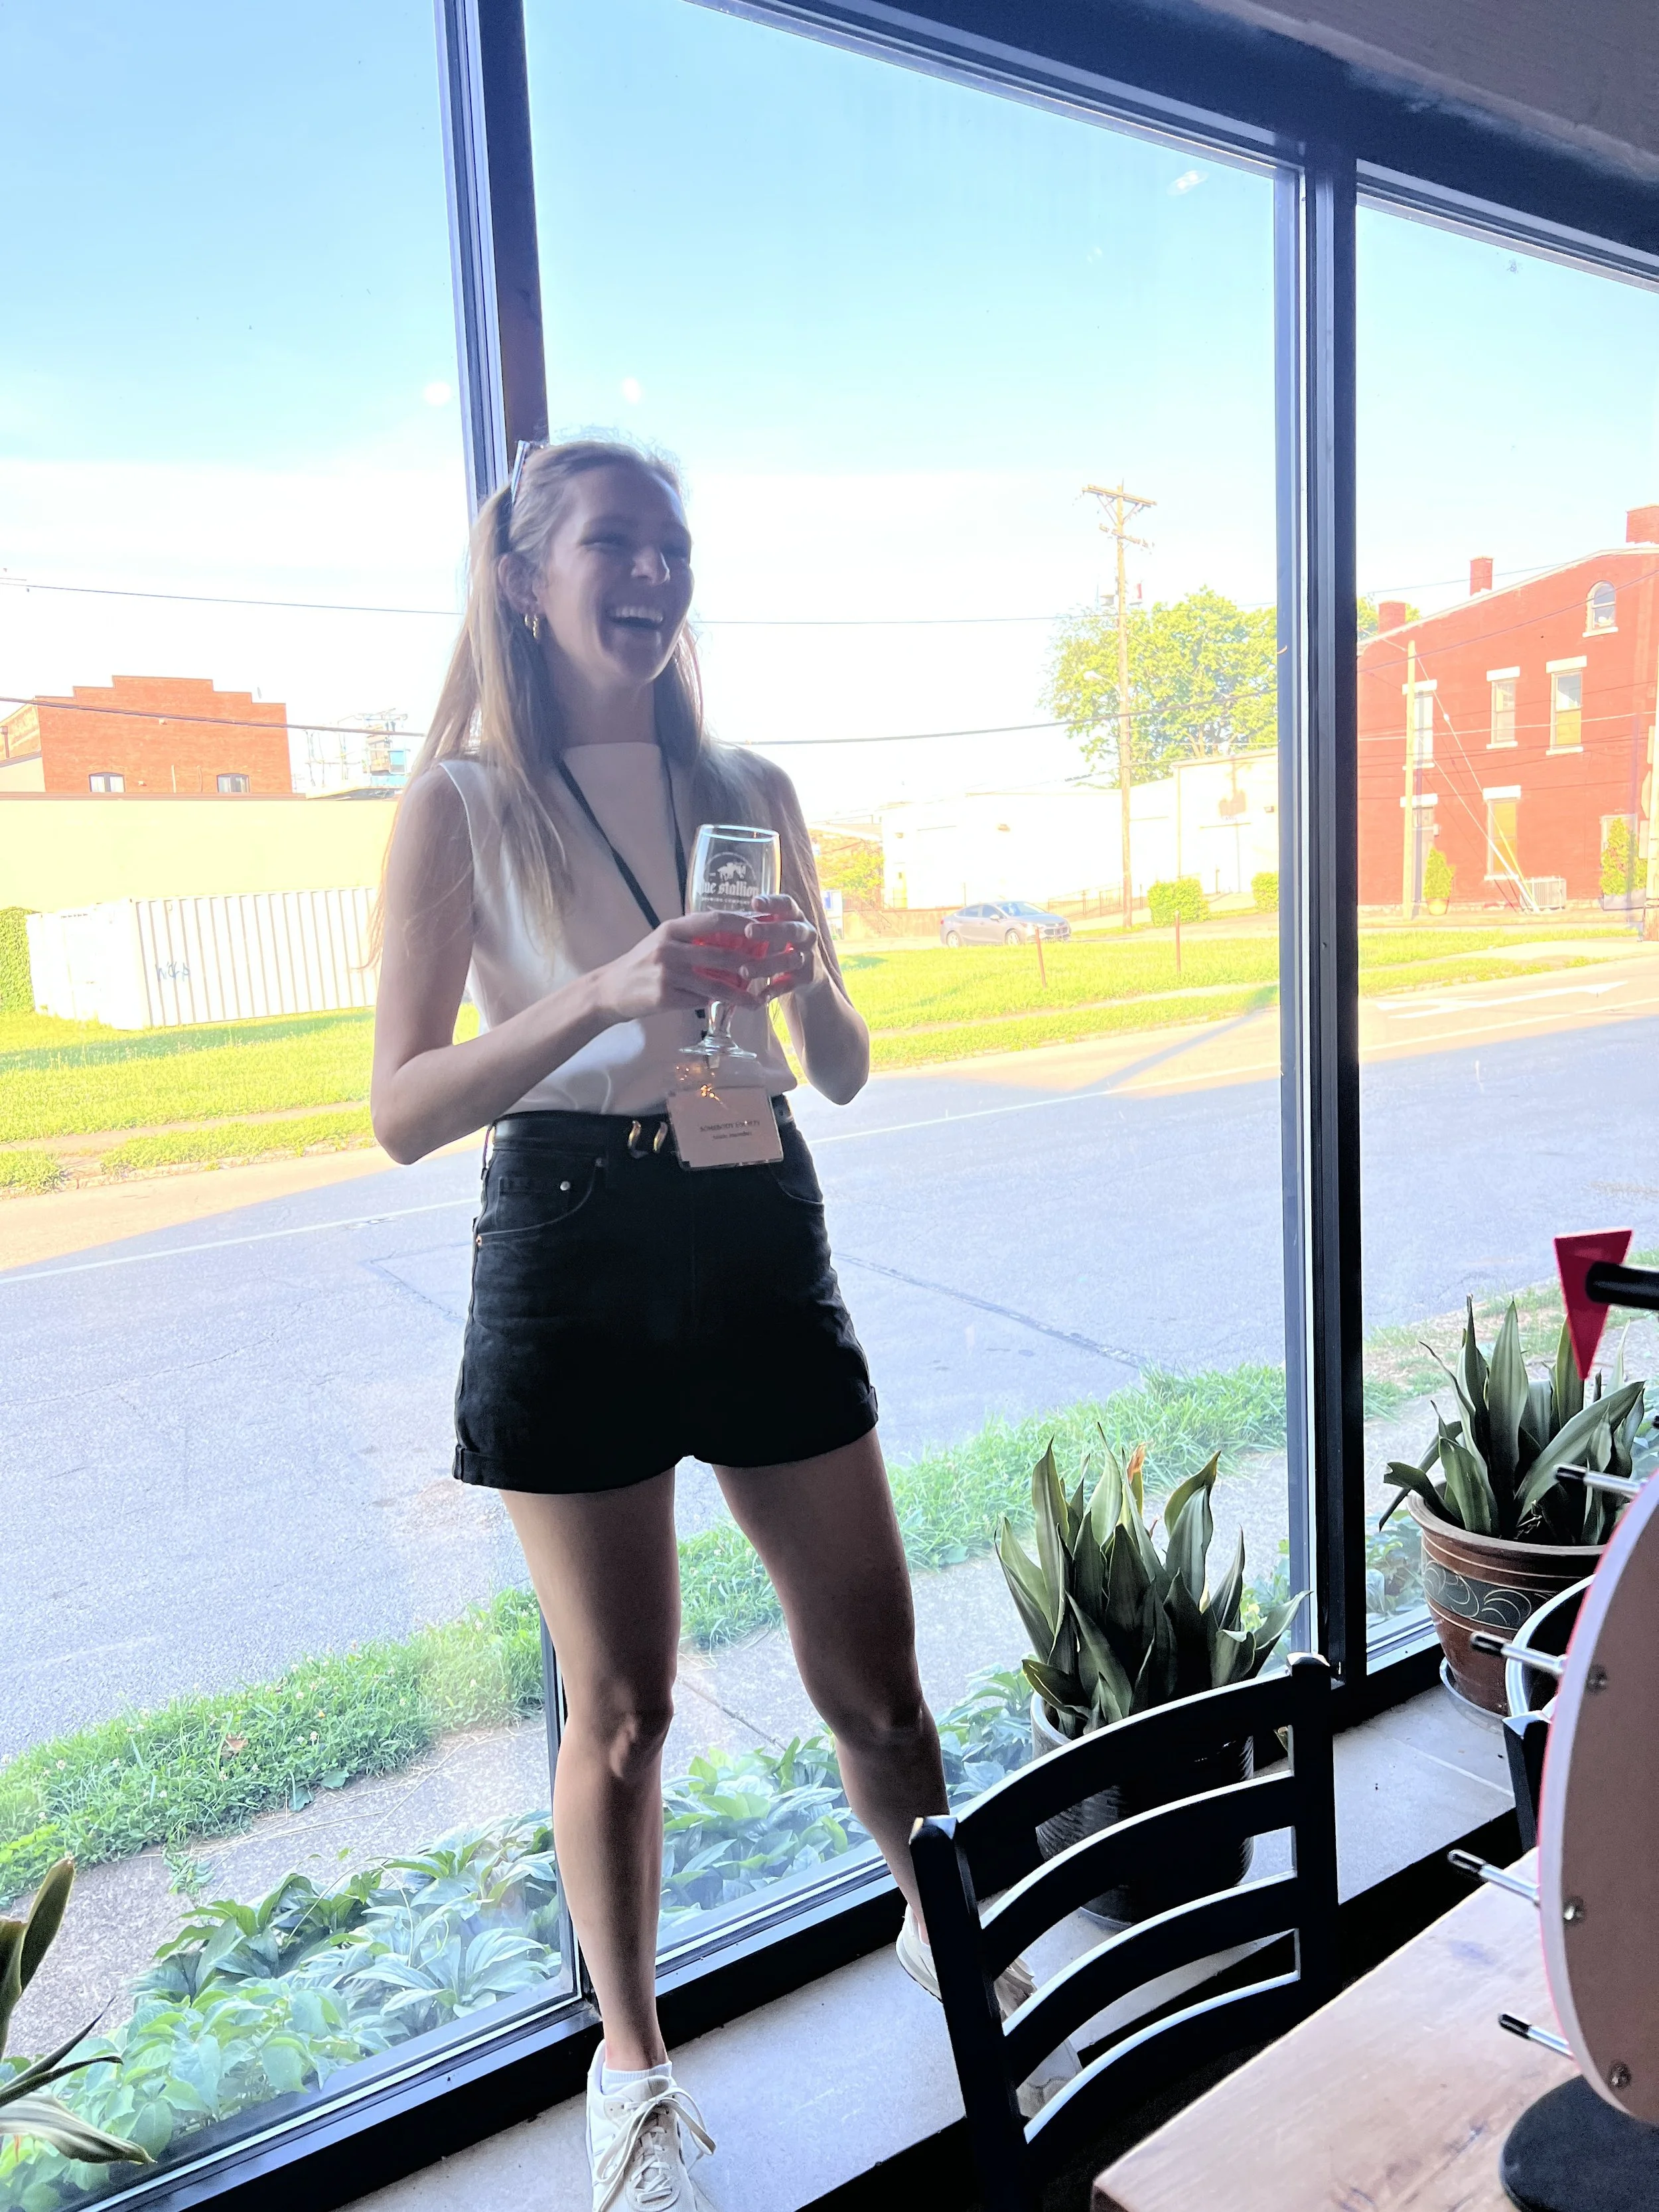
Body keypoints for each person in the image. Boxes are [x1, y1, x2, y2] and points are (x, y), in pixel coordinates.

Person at [370, 437, 956, 2211]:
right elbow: (404, 1103)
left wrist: (810, 986)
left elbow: (841, 1072)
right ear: (529, 579)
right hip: (567, 1230)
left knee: (872, 1680)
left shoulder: (744, 779)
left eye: (674, 549)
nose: (652, 576)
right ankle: (628, 2070)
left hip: (753, 1206)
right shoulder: (461, 804)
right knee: (619, 1704)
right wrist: (606, 992)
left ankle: (946, 1938)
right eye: (615, 544)